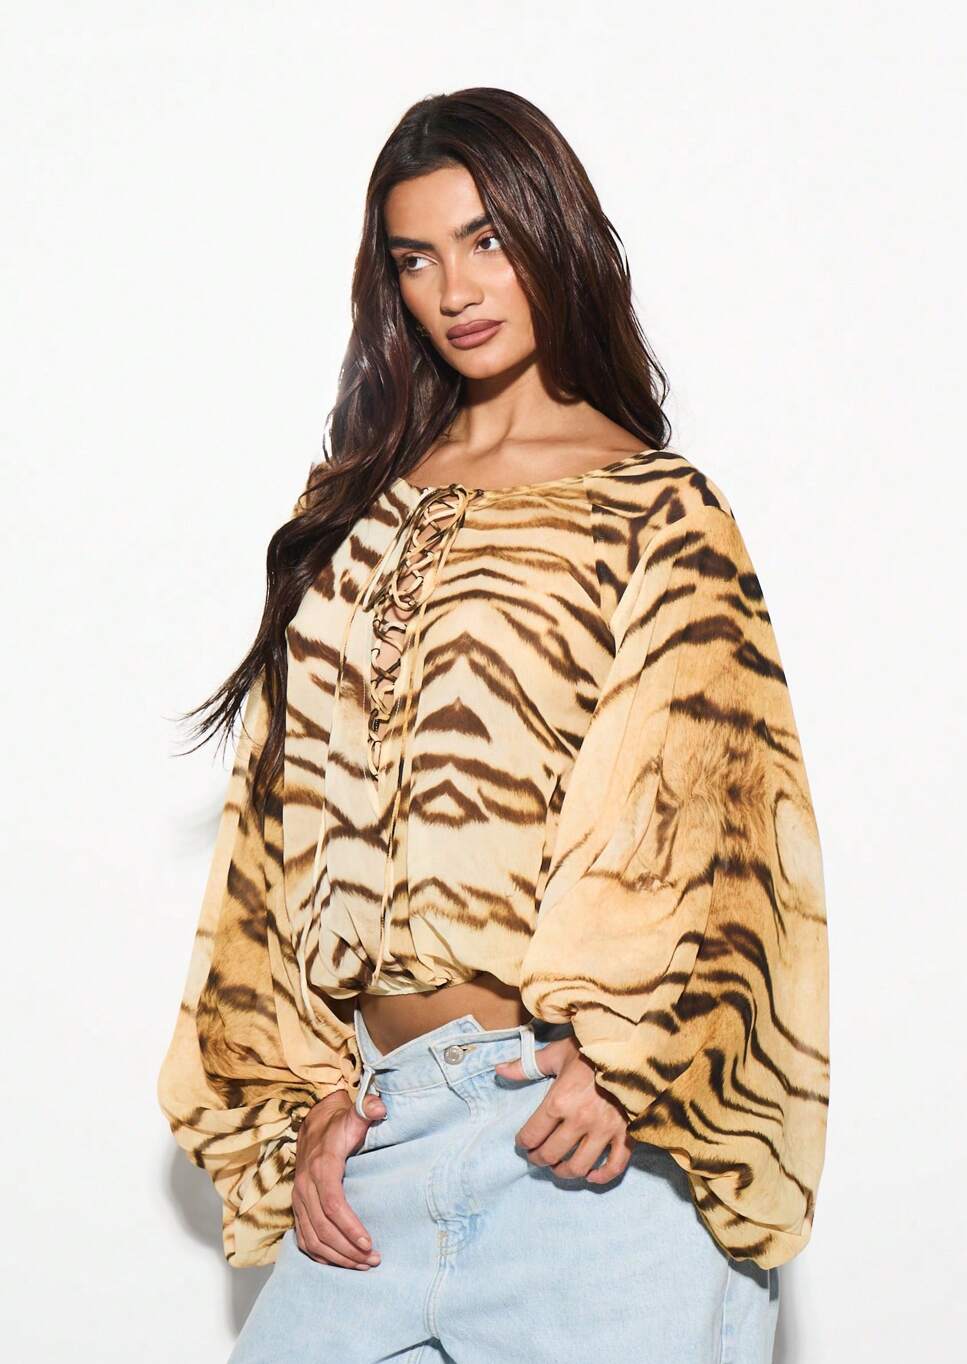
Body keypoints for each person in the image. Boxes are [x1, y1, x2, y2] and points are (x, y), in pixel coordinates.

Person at [157, 86, 829, 1363]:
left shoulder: (657, 509)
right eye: (414, 257)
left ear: (551, 235)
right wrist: (302, 1100)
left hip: (586, 1151)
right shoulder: (351, 509)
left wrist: (628, 1059)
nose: (454, 289)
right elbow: (271, 829)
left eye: (486, 240)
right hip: (382, 1145)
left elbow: (715, 823)